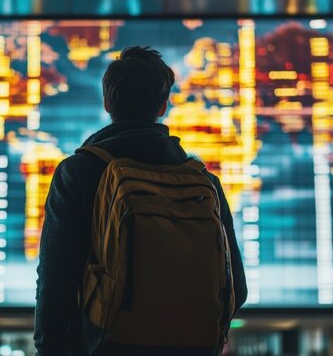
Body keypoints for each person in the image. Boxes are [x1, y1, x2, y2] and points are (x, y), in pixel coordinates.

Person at [34, 46, 248, 355]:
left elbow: (56, 282)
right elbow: (236, 289)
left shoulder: (79, 172)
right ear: (163, 106)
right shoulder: (205, 183)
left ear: (108, 102)